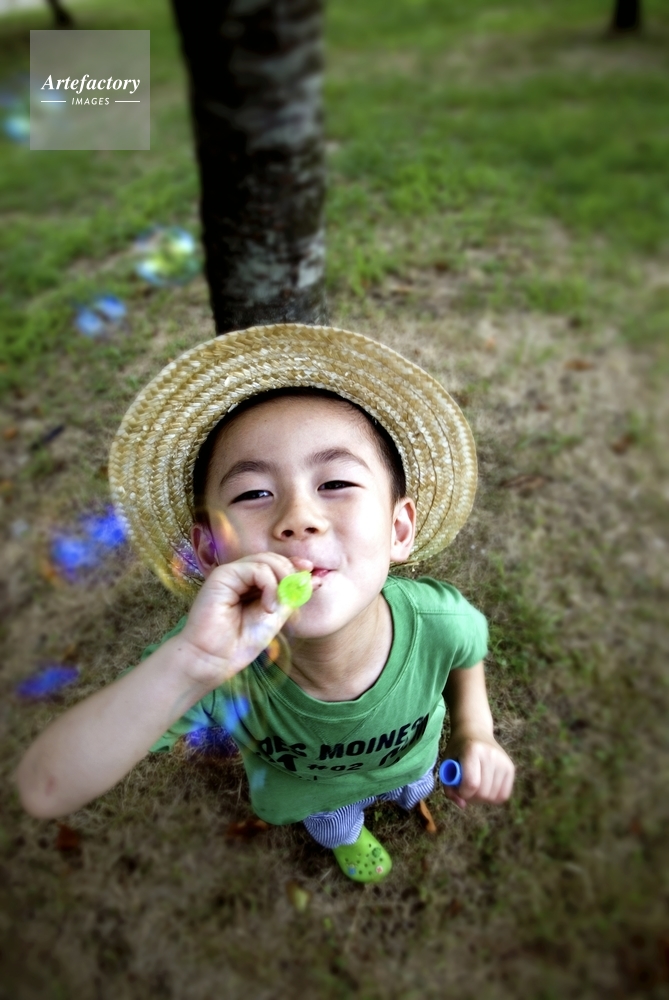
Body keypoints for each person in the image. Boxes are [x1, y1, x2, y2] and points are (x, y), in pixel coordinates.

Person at [16, 324, 515, 883]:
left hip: (411, 759)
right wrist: (193, 664)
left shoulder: (438, 620)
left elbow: (467, 655)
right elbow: (44, 788)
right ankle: (345, 834)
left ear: (398, 528)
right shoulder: (215, 664)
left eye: (336, 483)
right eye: (254, 493)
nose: (298, 518)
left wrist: (474, 731)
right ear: (211, 549)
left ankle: (408, 791)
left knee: (413, 783)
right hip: (311, 796)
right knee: (335, 821)